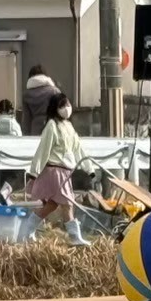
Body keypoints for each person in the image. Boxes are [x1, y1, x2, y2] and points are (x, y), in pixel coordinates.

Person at [27, 93, 88, 244]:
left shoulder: (69, 126)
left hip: (66, 171)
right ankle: (75, 237)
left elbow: (78, 148)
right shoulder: (51, 125)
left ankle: (28, 229)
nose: (66, 109)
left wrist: (89, 168)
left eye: (67, 105)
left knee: (53, 204)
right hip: (55, 170)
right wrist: (34, 172)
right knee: (67, 203)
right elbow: (43, 149)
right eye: (62, 106)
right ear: (56, 108)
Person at [22, 65, 59, 136]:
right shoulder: (54, 91)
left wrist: (25, 135)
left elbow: (26, 119)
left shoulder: (26, 95)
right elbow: (61, 112)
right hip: (52, 126)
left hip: (35, 128)